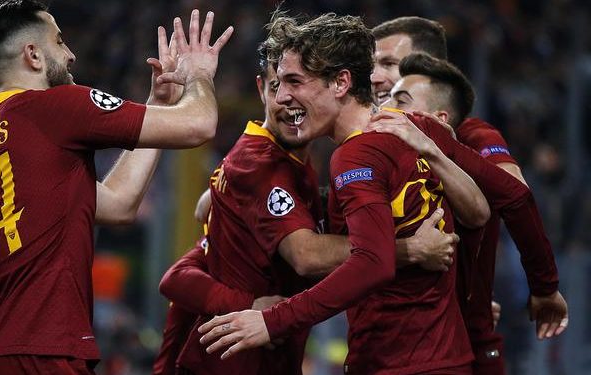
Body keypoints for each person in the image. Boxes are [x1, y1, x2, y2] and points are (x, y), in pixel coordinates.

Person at [198, 12, 567, 375]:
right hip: (451, 357)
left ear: (341, 83)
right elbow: (514, 197)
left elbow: (371, 262)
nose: (283, 98)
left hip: (391, 362)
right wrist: (545, 287)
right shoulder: (418, 127)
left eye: (295, 82)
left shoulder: (354, 156)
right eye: (278, 85)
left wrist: (273, 321)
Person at [154, 38, 478, 374]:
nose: (290, 99)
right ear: (262, 89)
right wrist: (408, 249)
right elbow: (307, 256)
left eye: (299, 85)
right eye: (279, 85)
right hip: (228, 361)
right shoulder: (259, 163)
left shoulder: (296, 167)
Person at [0, 0, 233, 373]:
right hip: (40, 352)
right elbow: (198, 124)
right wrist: (199, 75)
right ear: (33, 55)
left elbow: (118, 204)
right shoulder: (53, 107)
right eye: (60, 41)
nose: (70, 55)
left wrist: (156, 102)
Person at [369, 16, 561, 374]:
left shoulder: (470, 134)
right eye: (372, 65)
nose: (375, 76)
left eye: (389, 64)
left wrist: (544, 286)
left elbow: (515, 194)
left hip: (461, 351)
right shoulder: (368, 139)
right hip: (382, 349)